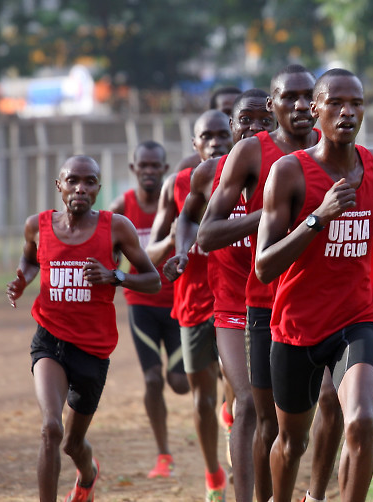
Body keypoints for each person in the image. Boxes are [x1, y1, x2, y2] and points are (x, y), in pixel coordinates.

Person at [255, 68, 373, 502]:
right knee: (291, 443)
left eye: (357, 103)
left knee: (360, 420)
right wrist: (316, 218)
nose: (348, 112)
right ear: (315, 110)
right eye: (336, 103)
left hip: (358, 316)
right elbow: (264, 267)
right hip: (297, 327)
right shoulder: (289, 173)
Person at [198, 64, 343, 502]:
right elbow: (206, 234)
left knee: (334, 401)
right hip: (262, 303)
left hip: (322, 302)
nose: (300, 106)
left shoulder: (333, 148)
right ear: (272, 105)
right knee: (270, 424)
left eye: (307, 97)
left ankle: (315, 495)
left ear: (319, 105)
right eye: (289, 97)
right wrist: (276, 215)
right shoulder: (251, 154)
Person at [6, 156, 161, 502]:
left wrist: (115, 277)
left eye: (89, 181)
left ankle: (88, 474)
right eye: (72, 181)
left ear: (99, 189)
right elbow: (30, 259)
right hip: (50, 340)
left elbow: (152, 280)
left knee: (72, 443)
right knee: (51, 429)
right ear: (58, 186)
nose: (80, 188)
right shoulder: (37, 225)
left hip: (93, 349)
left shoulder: (116, 227)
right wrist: (22, 280)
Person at [169, 89, 275, 502]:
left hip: (279, 300)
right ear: (232, 128)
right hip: (230, 303)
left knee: (277, 413)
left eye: (261, 121)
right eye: (243, 121)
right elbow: (188, 218)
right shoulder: (208, 174)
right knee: (246, 402)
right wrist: (181, 251)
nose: (252, 128)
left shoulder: (286, 169)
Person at [148, 109, 232, 501]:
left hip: (240, 300)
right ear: (195, 145)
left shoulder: (257, 177)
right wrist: (173, 249)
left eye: (222, 134)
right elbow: (148, 250)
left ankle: (236, 419)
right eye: (207, 136)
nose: (216, 142)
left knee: (242, 389)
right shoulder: (178, 186)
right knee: (202, 397)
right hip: (196, 303)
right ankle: (213, 472)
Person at [107, 141, 189, 478]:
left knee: (181, 383)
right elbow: (105, 251)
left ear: (165, 169)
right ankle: (164, 455)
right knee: (153, 379)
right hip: (141, 304)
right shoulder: (121, 208)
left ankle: (212, 370)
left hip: (176, 303)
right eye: (144, 166)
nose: (150, 172)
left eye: (156, 166)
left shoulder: (177, 203)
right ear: (133, 169)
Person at [173, 86, 242, 173]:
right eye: (226, 113)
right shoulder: (188, 167)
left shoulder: (252, 161)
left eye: (238, 114)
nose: (232, 120)